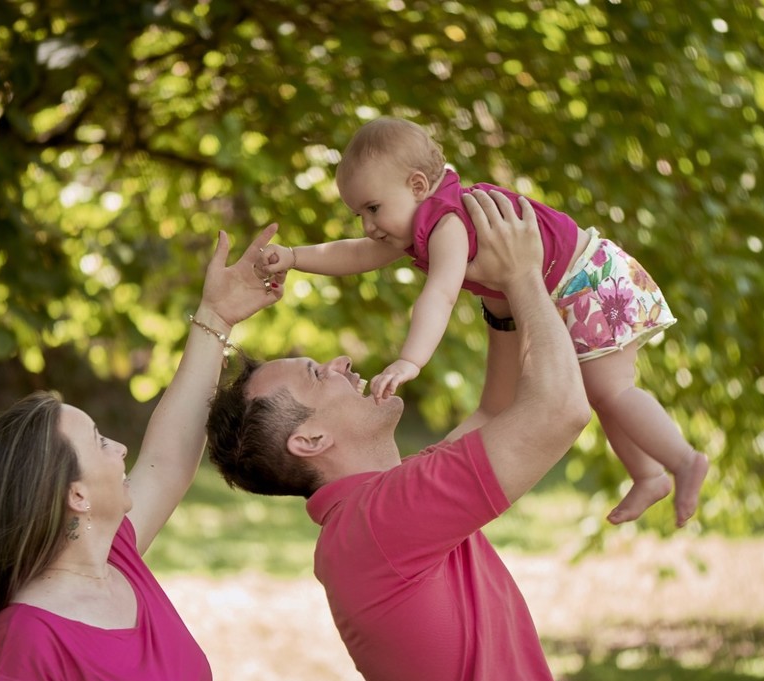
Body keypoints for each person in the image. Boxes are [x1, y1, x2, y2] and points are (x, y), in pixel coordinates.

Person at [208, 189, 601, 681]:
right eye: (317, 374)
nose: (340, 362)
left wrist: (499, 301)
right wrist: (526, 276)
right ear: (310, 439)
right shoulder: (380, 521)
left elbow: (496, 411)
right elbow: (559, 410)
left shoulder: (378, 512)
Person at [0, 225, 284, 681]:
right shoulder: (29, 643)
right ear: (76, 496)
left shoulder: (118, 564)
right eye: (99, 441)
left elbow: (170, 455)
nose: (121, 448)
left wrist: (215, 317)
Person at [256, 116, 707, 527]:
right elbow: (353, 253)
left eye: (373, 208)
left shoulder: (447, 223)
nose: (368, 226)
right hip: (568, 288)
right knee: (602, 392)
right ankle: (649, 474)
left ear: (417, 185)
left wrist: (410, 360)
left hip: (588, 279)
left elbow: (440, 294)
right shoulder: (416, 222)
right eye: (359, 214)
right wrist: (294, 257)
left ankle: (684, 460)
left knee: (612, 390)